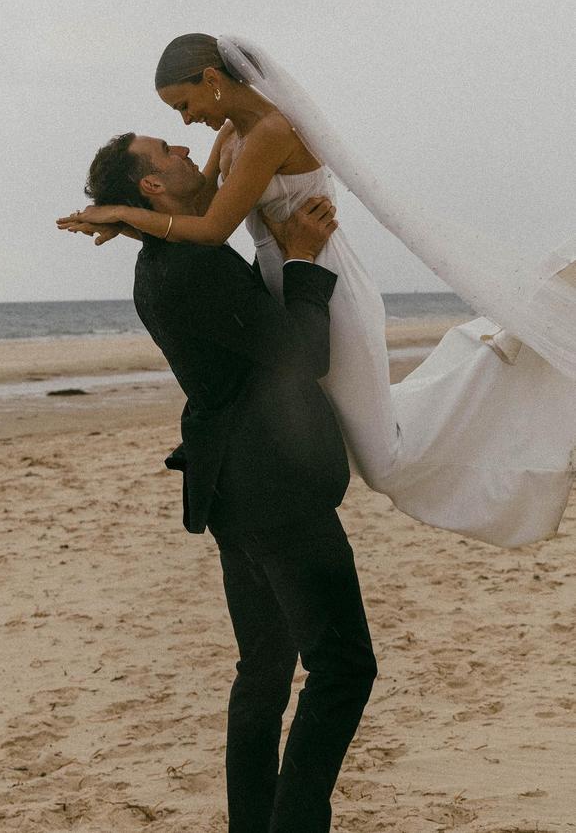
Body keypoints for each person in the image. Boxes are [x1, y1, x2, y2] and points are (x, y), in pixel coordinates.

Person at [58, 33, 576, 548]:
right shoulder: (234, 136)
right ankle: (492, 351)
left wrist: (127, 212)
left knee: (383, 458)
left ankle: (509, 348)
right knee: (365, 433)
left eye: (184, 104)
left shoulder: (270, 131)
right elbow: (195, 207)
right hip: (283, 280)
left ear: (212, 80)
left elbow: (213, 228)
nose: (186, 120)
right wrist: (132, 226)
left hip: (325, 283)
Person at [73, 130, 377, 833]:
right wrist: (300, 259)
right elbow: (300, 357)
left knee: (265, 673)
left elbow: (208, 196)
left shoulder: (165, 257)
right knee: (341, 668)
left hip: (229, 491)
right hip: (273, 490)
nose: (186, 149)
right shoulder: (193, 269)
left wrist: (221, 151)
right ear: (150, 188)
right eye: (166, 150)